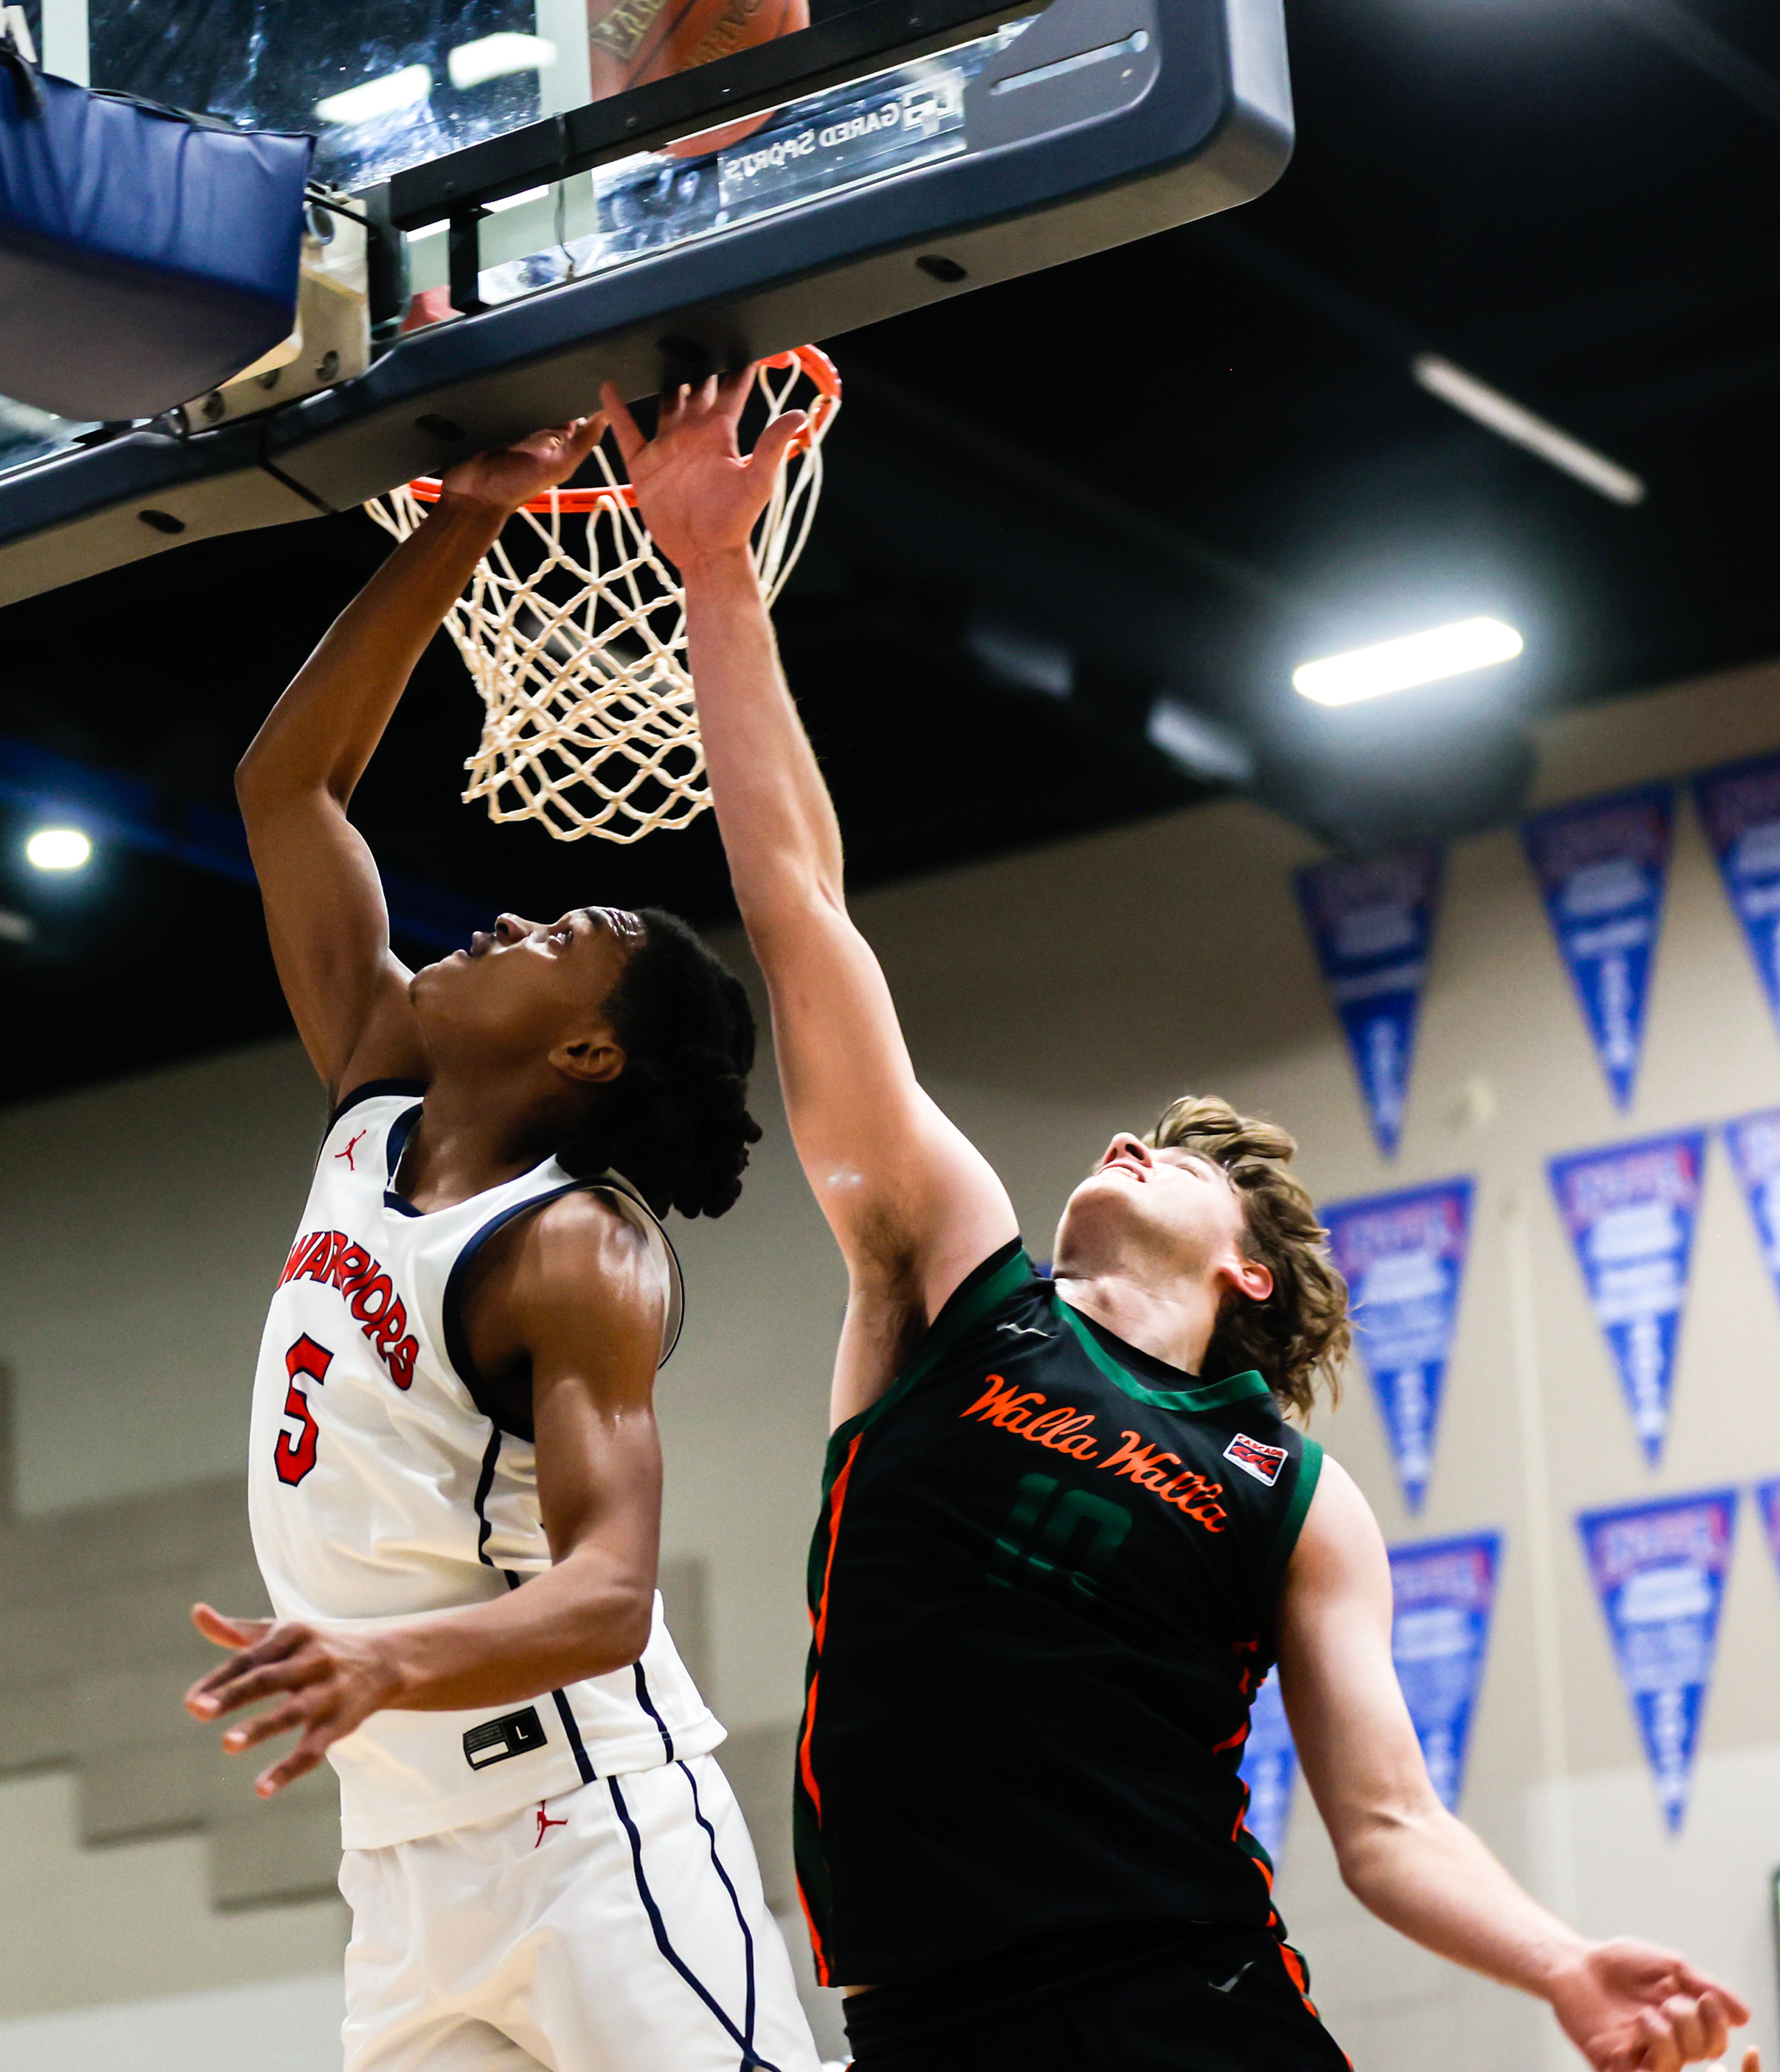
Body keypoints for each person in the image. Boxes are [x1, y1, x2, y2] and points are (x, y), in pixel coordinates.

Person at [602, 367, 1761, 2072]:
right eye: (1144, 1127)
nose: (1138, 1136)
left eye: (1189, 1154)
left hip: (1189, 2005)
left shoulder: (1295, 1496)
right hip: (925, 2026)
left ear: (1250, 1271)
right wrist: (713, 569)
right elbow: (802, 914)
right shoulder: (949, 1277)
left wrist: (1562, 1964)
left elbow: (1388, 1826)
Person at [182, 414, 821, 2072]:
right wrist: (467, 516)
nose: (515, 918)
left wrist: (377, 1657)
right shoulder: (374, 1091)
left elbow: (610, 1597)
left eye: (568, 938)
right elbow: (287, 785)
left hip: (590, 1831)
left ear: (590, 1055)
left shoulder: (574, 1253)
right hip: (397, 1864)